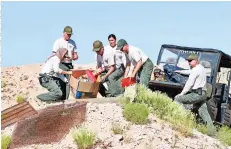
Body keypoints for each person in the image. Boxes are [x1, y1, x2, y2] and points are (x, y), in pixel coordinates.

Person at [174, 54, 214, 130]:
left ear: (196, 61)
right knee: (203, 111)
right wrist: (180, 71)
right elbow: (190, 71)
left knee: (178, 99)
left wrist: (182, 93)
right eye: (188, 61)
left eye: (190, 61)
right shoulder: (201, 68)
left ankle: (181, 119)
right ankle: (211, 130)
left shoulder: (196, 70)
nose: (189, 62)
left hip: (197, 93)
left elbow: (189, 83)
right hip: (203, 93)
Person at [52, 26, 77, 100]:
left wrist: (74, 57)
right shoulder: (58, 42)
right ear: (64, 33)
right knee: (62, 82)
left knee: (69, 83)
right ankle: (60, 99)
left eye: (70, 35)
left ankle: (65, 99)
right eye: (68, 34)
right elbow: (54, 54)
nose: (69, 36)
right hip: (61, 64)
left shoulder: (72, 42)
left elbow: (75, 54)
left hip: (69, 65)